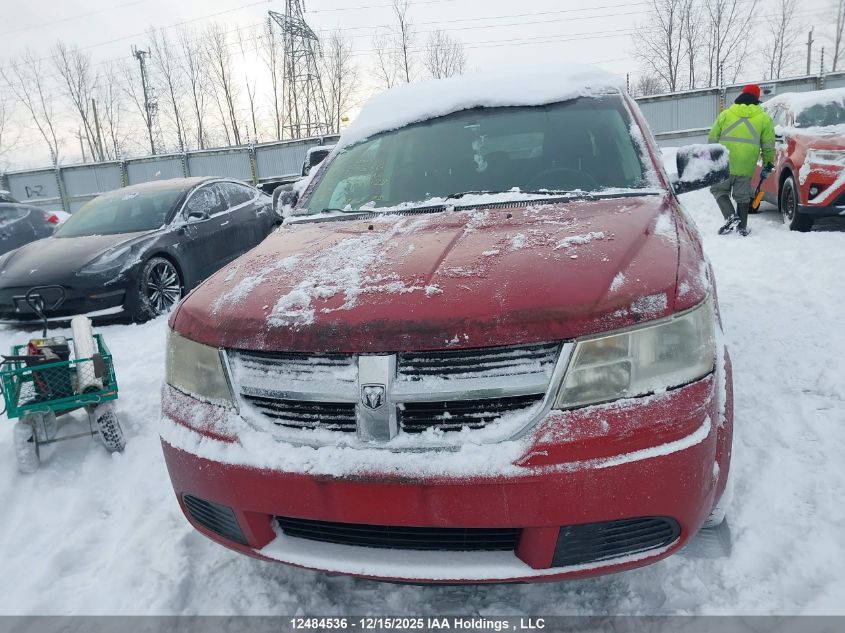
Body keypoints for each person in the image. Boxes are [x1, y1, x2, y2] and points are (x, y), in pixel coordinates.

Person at [707, 84, 775, 237]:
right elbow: (768, 146)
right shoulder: (764, 118)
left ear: (741, 95)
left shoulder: (726, 114)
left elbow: (712, 137)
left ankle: (731, 217)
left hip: (724, 161)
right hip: (746, 164)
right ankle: (742, 228)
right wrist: (767, 164)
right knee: (742, 196)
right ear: (757, 98)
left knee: (718, 190)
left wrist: (712, 157)